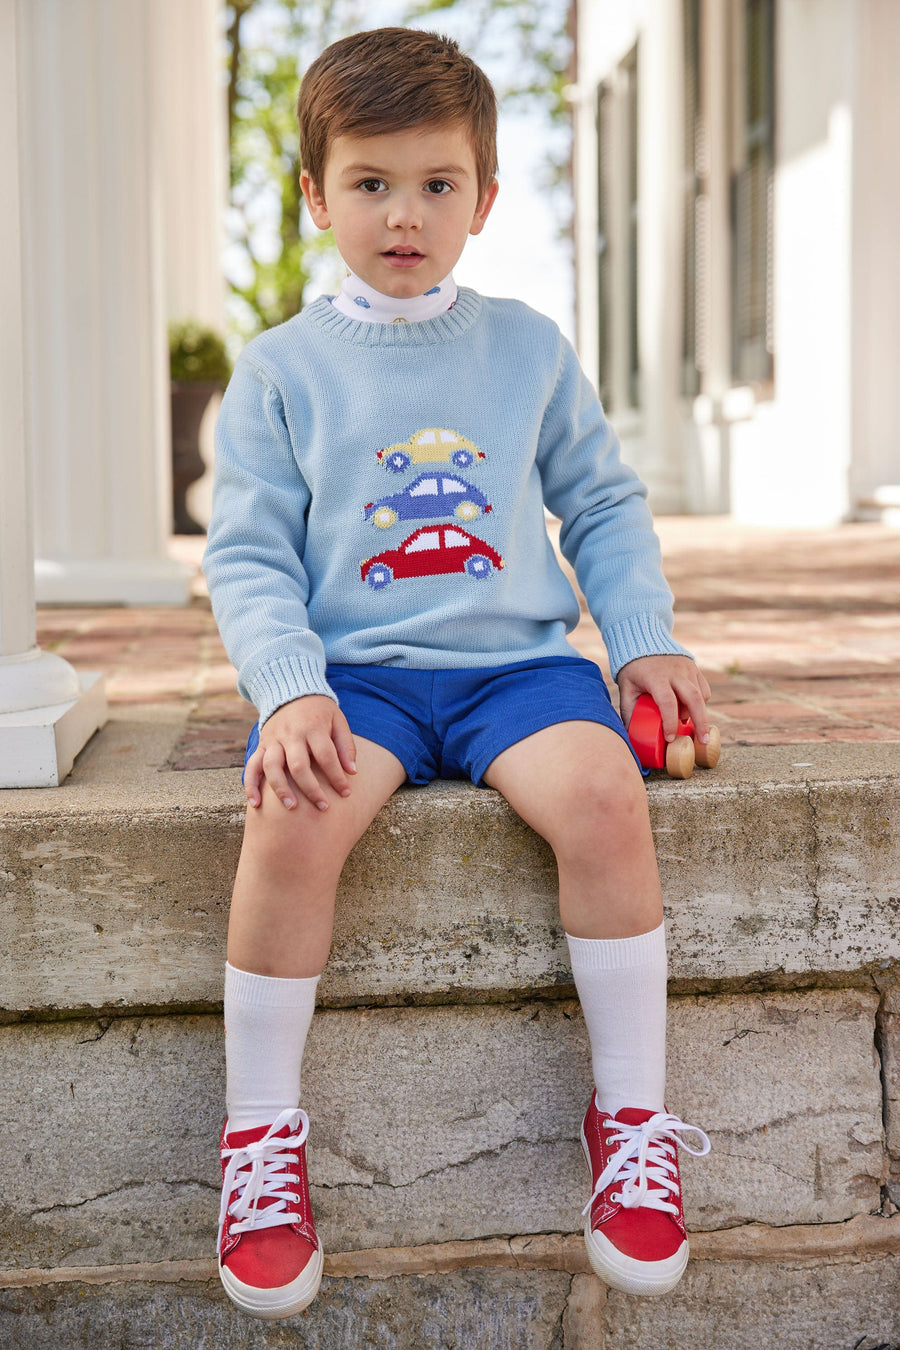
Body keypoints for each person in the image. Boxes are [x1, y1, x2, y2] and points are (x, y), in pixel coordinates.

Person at [204, 25, 711, 1321]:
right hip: (354, 679)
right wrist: (288, 686)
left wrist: (641, 637)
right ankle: (260, 1139)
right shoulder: (280, 370)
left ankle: (632, 1123)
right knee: (290, 813)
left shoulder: (527, 347)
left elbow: (601, 501)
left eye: (438, 183)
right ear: (315, 195)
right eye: (370, 183)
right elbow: (249, 553)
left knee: (605, 796)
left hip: (517, 669)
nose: (405, 214)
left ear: (485, 197)